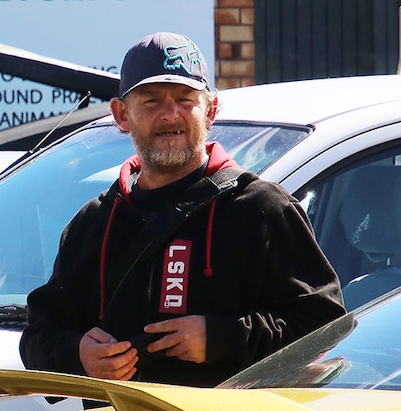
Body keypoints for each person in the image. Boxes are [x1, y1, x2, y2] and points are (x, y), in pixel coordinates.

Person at [19, 32, 345, 387]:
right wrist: (79, 354)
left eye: (185, 99)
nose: (169, 114)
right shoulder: (93, 223)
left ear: (211, 111)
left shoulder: (262, 209)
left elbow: (326, 326)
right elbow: (37, 340)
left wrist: (222, 338)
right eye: (150, 101)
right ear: (121, 115)